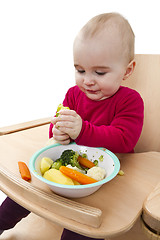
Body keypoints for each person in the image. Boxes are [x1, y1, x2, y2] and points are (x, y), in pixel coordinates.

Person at [0, 13, 144, 240]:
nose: (88, 80)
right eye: (80, 70)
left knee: (83, 226)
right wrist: (58, 131)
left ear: (127, 71)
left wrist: (83, 131)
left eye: (99, 72)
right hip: (67, 169)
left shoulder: (130, 100)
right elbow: (57, 131)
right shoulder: (73, 94)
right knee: (19, 198)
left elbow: (125, 139)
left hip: (106, 179)